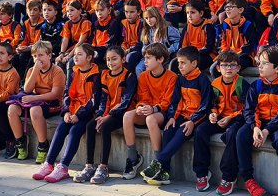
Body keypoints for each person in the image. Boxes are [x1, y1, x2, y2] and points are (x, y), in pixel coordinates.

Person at [141, 46, 212, 186]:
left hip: (195, 119)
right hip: (181, 116)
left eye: (183, 63)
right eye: (178, 63)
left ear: (194, 64)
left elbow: (205, 106)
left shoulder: (203, 80)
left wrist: (192, 121)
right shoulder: (180, 80)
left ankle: (158, 163)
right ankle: (165, 172)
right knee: (168, 131)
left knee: (180, 133)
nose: (179, 66)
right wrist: (172, 117)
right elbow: (176, 101)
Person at [33, 43, 102, 182]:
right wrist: (66, 112)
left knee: (74, 131)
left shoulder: (96, 75)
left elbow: (94, 100)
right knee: (61, 128)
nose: (75, 56)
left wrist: (79, 114)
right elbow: (66, 94)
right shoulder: (74, 71)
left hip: (87, 113)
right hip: (71, 110)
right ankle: (49, 163)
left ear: (89, 57)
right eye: (75, 54)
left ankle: (63, 166)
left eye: (79, 54)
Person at [236, 45, 278, 196]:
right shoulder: (256, 85)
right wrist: (256, 127)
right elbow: (249, 110)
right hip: (259, 122)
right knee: (241, 135)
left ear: (277, 68)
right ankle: (248, 179)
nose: (260, 66)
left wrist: (267, 130)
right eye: (259, 62)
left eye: (264, 63)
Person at [78, 46, 137, 184]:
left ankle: (103, 167)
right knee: (90, 125)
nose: (111, 63)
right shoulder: (104, 75)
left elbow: (126, 101)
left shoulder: (129, 76)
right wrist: (100, 115)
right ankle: (89, 165)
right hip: (108, 113)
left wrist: (108, 116)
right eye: (108, 60)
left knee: (105, 127)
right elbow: (103, 100)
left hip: (123, 113)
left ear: (123, 59)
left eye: (114, 59)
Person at [121, 43, 177, 180]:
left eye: (148, 58)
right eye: (144, 58)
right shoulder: (144, 76)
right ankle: (133, 158)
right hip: (149, 109)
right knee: (128, 116)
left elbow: (167, 102)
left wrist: (153, 109)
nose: (145, 61)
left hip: (162, 113)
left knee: (150, 119)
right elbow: (143, 97)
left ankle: (159, 162)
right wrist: (141, 106)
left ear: (160, 60)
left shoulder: (172, 77)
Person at [7, 41, 65, 163]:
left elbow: (55, 94)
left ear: (49, 56)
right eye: (34, 56)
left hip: (51, 102)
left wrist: (34, 99)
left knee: (35, 110)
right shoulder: (32, 70)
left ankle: (43, 145)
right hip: (34, 99)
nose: (37, 59)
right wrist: (35, 71)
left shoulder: (57, 71)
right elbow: (27, 89)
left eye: (40, 55)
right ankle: (20, 142)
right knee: (12, 108)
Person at [208, 51, 247, 196]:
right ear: (218, 68)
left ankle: (228, 177)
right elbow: (211, 103)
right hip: (219, 117)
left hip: (236, 119)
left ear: (238, 68)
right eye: (224, 65)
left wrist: (230, 117)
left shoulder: (242, 83)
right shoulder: (214, 84)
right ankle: (202, 172)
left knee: (232, 134)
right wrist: (212, 114)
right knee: (200, 131)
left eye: (232, 65)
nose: (228, 68)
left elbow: (246, 108)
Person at [216, 0, 257, 72]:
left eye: (231, 7)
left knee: (233, 67)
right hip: (228, 56)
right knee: (214, 69)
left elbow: (248, 47)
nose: (227, 10)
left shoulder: (247, 25)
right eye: (226, 7)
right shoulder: (225, 24)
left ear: (240, 10)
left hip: (244, 56)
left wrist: (233, 56)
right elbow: (221, 43)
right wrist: (225, 54)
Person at [135, 6, 181, 75]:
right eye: (146, 18)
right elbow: (144, 45)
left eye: (151, 17)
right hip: (150, 56)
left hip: (164, 57)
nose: (148, 20)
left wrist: (169, 50)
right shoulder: (146, 31)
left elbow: (178, 42)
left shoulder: (168, 29)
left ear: (157, 16)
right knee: (139, 68)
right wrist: (146, 52)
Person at [177, 0, 216, 72]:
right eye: (187, 13)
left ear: (201, 13)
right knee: (174, 64)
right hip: (189, 55)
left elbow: (209, 48)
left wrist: (192, 54)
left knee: (191, 65)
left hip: (205, 55)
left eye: (192, 12)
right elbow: (181, 45)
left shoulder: (208, 26)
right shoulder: (187, 27)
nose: (189, 16)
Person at [56, 0, 92, 67]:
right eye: (67, 11)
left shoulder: (85, 23)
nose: (69, 13)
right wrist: (62, 53)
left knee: (70, 62)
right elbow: (65, 40)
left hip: (84, 48)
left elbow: (81, 42)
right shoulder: (67, 23)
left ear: (80, 11)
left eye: (72, 10)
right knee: (58, 62)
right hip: (73, 48)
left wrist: (69, 55)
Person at [15, 0, 45, 78]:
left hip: (39, 48)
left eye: (35, 10)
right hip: (28, 48)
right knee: (16, 57)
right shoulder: (26, 23)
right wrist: (21, 47)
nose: (32, 12)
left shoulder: (43, 23)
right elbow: (23, 39)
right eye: (30, 10)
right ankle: (18, 81)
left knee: (29, 59)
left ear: (40, 11)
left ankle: (26, 81)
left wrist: (28, 48)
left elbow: (40, 42)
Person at [91, 0, 121, 65]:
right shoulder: (95, 23)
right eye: (97, 10)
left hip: (108, 50)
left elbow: (111, 42)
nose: (99, 13)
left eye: (102, 10)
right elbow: (92, 40)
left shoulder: (114, 23)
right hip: (96, 49)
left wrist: (95, 49)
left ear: (109, 10)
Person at [120, 0, 144, 70]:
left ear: (139, 12)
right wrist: (123, 49)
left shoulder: (142, 24)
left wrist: (129, 50)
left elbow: (142, 43)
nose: (128, 15)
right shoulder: (122, 23)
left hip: (137, 50)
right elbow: (120, 39)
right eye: (126, 12)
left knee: (130, 57)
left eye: (132, 12)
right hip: (125, 48)